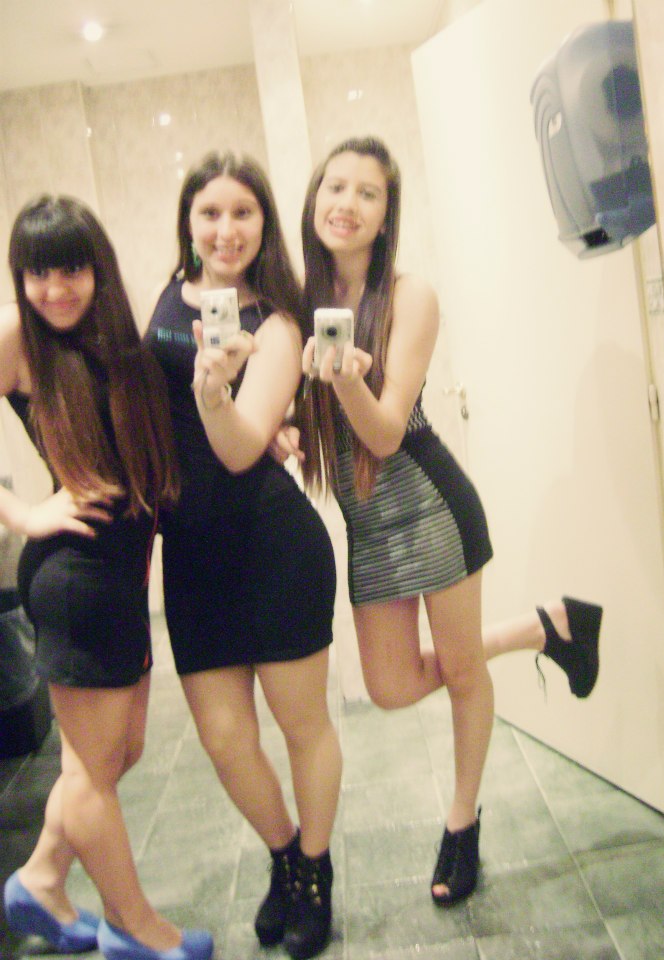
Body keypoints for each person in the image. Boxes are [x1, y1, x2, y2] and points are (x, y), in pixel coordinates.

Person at [298, 136, 603, 907]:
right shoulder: (295, 302)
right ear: (314, 199)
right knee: (391, 687)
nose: (347, 203)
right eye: (335, 186)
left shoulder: (411, 297)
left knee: (463, 675)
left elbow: (385, 433)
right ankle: (544, 627)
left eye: (368, 192)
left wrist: (347, 381)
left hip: (430, 505)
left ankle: (462, 824)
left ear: (386, 214)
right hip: (369, 527)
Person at [0, 196, 213, 960]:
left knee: (119, 755)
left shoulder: (122, 343)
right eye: (37, 273)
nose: (54, 289)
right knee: (91, 771)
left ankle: (41, 881)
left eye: (70, 269)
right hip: (74, 580)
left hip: (121, 578)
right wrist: (25, 514)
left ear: (97, 269)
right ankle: (133, 927)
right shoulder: (17, 340)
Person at [145, 151, 341, 960]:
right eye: (210, 212)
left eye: (243, 213)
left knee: (301, 726)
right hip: (192, 556)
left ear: (265, 225)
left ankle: (316, 876)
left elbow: (237, 450)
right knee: (226, 739)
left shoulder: (280, 325)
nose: (226, 229)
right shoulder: (166, 297)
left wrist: (213, 391)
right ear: (188, 221)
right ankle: (284, 854)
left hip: (273, 548)